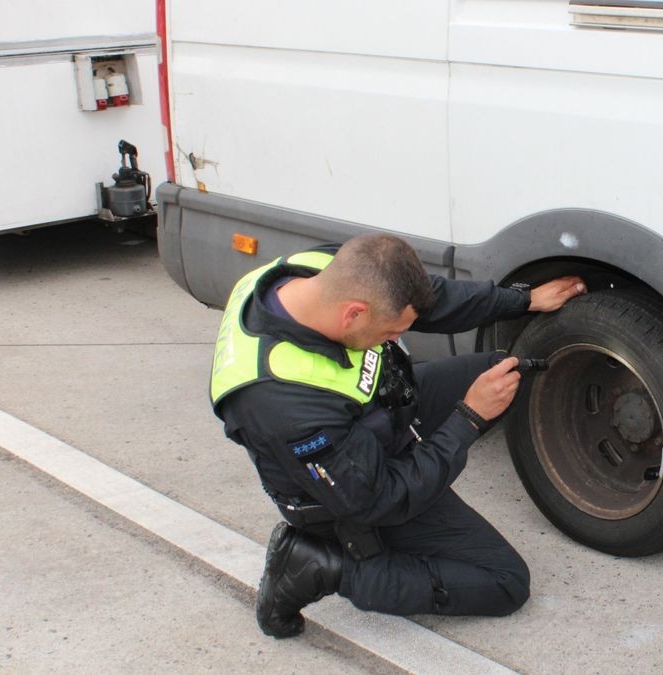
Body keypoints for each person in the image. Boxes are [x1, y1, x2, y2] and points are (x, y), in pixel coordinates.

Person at [208, 234, 586, 638]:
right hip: (344, 493)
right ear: (353, 315)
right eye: (391, 333)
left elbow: (425, 298)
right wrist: (468, 418)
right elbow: (377, 498)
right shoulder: (283, 404)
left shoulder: (321, 271)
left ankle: (427, 468)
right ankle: (325, 567)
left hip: (379, 413)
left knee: (506, 373)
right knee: (504, 582)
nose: (396, 339)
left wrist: (520, 300)